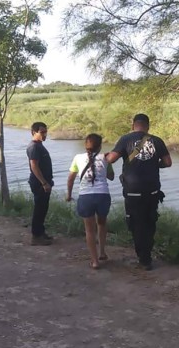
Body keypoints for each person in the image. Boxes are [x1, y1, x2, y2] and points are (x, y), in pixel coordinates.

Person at [106, 113, 172, 271]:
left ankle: (142, 257)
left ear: (133, 125)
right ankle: (147, 257)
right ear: (148, 126)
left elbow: (111, 159)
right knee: (150, 221)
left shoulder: (125, 140)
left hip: (132, 191)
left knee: (136, 223)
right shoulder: (156, 140)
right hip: (152, 190)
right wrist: (156, 165)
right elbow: (168, 162)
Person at [66, 134, 114, 270]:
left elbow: (70, 179)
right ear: (100, 146)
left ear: (85, 145)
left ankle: (94, 261)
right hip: (103, 195)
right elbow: (111, 177)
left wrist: (69, 195)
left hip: (86, 196)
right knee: (102, 223)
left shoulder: (77, 158)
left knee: (89, 230)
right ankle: (102, 252)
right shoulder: (105, 158)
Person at [27, 122, 54, 246]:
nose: (45, 134)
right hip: (39, 183)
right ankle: (36, 236)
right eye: (42, 132)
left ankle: (40, 232)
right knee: (39, 209)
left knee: (43, 208)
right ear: (34, 132)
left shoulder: (39, 146)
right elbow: (34, 166)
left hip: (44, 182)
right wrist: (44, 183)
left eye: (45, 132)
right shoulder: (34, 147)